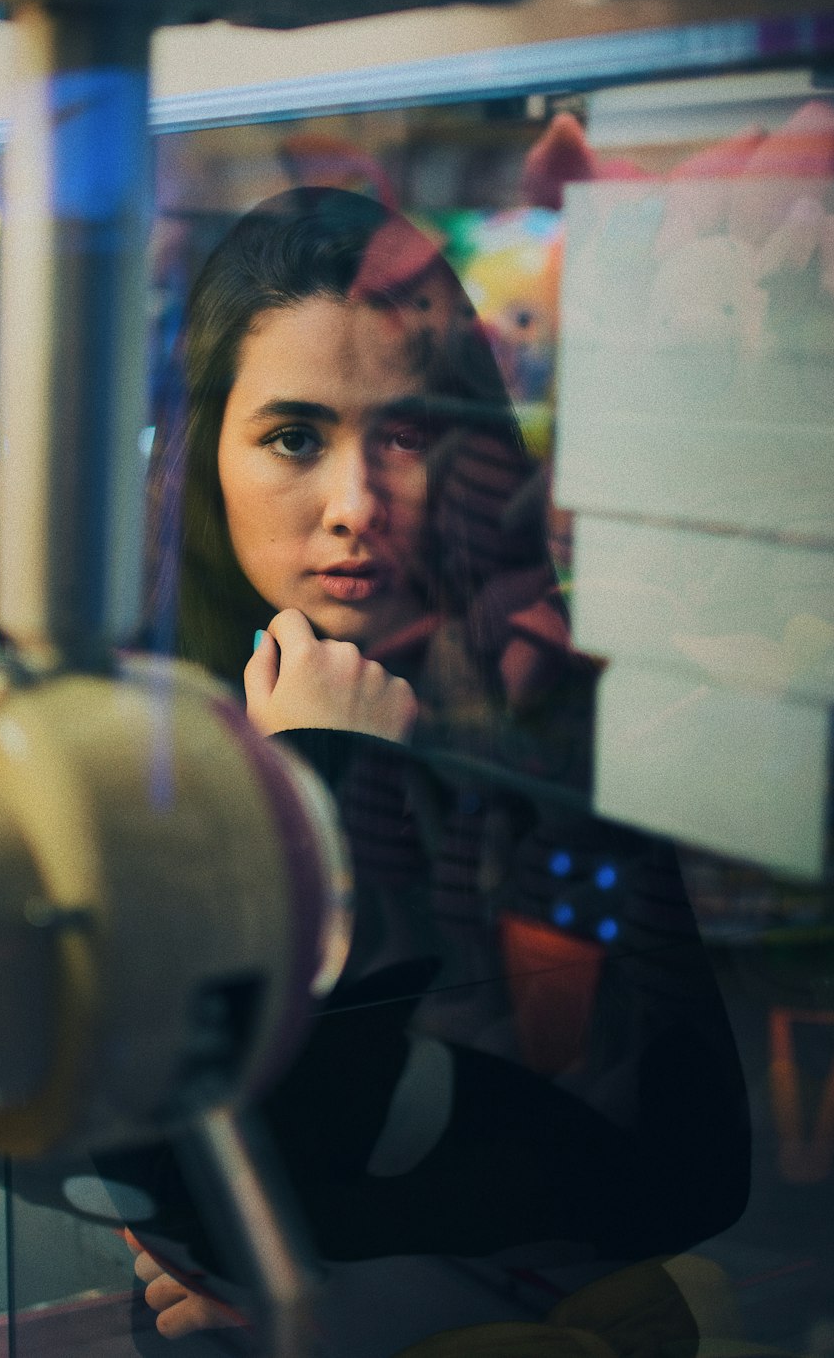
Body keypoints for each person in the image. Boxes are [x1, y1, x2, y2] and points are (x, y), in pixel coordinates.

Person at [128, 187, 750, 1343]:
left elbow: (683, 1172)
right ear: (206, 447)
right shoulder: (146, 726)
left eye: (405, 435)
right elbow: (118, 1157)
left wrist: (325, 771)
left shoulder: (548, 714)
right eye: (294, 438)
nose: (355, 505)